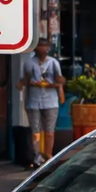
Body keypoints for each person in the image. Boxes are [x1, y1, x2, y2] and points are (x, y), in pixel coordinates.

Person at [18, 38, 64, 168]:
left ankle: (48, 155)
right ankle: (37, 156)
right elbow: (24, 81)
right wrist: (27, 84)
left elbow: (59, 80)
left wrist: (56, 85)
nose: (42, 49)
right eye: (40, 46)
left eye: (45, 46)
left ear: (48, 48)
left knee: (49, 130)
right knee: (35, 130)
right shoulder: (29, 63)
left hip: (51, 101)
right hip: (33, 101)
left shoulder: (53, 63)